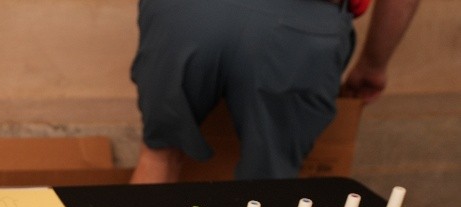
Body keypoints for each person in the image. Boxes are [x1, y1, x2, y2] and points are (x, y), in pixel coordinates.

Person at [128, 0, 421, 184]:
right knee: (270, 183)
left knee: (158, 156)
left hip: (185, 12)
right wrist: (373, 64)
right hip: (300, 23)